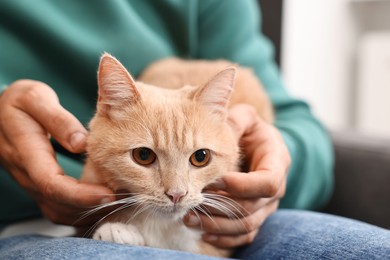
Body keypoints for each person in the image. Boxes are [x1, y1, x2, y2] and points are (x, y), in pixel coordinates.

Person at [0, 1, 389, 259]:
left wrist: (279, 158)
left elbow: (298, 123)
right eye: (144, 155)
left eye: (199, 157)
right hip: (35, 225)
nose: (175, 190)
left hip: (223, 219)